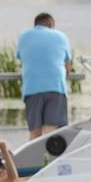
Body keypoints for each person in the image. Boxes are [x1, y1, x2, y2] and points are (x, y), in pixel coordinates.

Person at [16, 12, 72, 140]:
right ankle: (50, 159)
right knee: (51, 131)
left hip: (31, 87)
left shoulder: (23, 36)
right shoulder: (61, 36)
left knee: (35, 132)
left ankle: (34, 159)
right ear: (50, 24)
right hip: (55, 87)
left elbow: (22, 60)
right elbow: (68, 66)